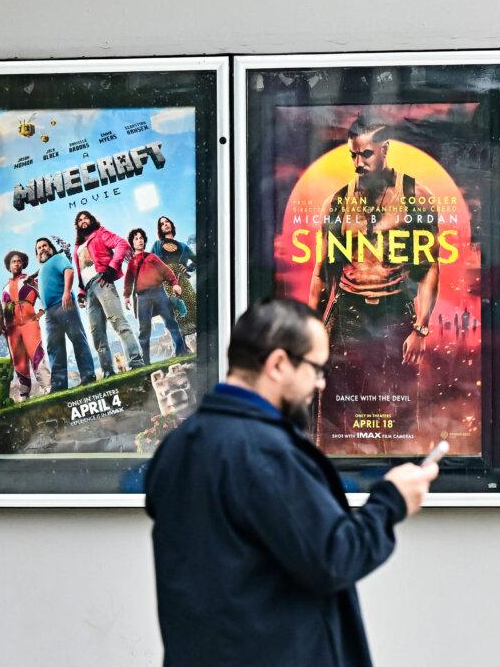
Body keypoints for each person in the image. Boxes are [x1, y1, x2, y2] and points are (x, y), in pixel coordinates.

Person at [146, 298, 438, 666]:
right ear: (279, 364)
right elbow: (333, 557)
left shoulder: (181, 444)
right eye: (317, 367)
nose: (320, 383)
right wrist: (392, 501)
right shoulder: (264, 452)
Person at [308, 114, 440, 452]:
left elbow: (428, 269)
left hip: (395, 314)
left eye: (365, 154)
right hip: (349, 315)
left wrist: (420, 329)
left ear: (385, 150)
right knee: (336, 416)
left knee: (399, 414)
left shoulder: (414, 195)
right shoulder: (337, 201)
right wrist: (310, 331)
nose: (358, 163)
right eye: (353, 155)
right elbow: (322, 273)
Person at [73, 210, 145, 375]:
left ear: (92, 220)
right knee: (96, 333)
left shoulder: (100, 233)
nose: (83, 221)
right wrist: (81, 291)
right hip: (88, 289)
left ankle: (136, 363)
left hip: (102, 281)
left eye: (86, 218)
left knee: (119, 324)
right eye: (80, 220)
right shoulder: (77, 247)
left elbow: (122, 244)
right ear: (77, 225)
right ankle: (107, 371)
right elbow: (81, 271)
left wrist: (111, 269)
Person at [34, 237, 96, 392]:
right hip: (49, 312)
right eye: (39, 248)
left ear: (51, 248)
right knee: (54, 347)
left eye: (45, 245)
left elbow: (69, 271)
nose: (42, 248)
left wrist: (67, 292)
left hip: (64, 305)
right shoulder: (42, 269)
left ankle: (88, 376)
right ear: (37, 254)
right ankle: (59, 385)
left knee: (77, 339)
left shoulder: (58, 258)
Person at [124, 228, 189, 365]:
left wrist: (175, 284)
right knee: (144, 329)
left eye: (141, 238)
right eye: (136, 238)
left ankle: (181, 352)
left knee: (171, 322)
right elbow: (128, 281)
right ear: (132, 243)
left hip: (159, 292)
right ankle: (146, 362)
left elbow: (167, 272)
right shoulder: (131, 263)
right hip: (142, 298)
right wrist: (126, 296)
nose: (139, 240)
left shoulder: (152, 257)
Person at [0, 250, 45, 398]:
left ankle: (47, 388)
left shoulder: (30, 280)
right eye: (13, 262)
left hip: (30, 324)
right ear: (9, 267)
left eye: (18, 261)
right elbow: (1, 312)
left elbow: (44, 296)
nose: (16, 263)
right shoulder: (4, 289)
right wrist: (1, 325)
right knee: (19, 362)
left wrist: (40, 314)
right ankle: (24, 395)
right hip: (12, 329)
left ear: (23, 264)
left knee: (37, 355)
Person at [151, 215, 197, 336]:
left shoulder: (183, 246)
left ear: (171, 224)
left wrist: (188, 267)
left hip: (182, 279)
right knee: (176, 308)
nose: (165, 224)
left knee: (192, 304)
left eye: (167, 222)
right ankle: (182, 343)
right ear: (160, 229)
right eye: (162, 224)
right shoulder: (157, 245)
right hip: (167, 281)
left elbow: (197, 260)